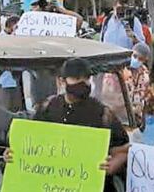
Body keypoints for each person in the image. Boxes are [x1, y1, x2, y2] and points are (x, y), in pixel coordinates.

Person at [29, 58, 130, 192]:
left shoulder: (102, 113)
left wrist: (116, 162)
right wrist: (13, 154)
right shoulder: (47, 107)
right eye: (76, 78)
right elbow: (29, 144)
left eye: (86, 78)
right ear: (61, 81)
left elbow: (124, 148)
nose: (83, 83)